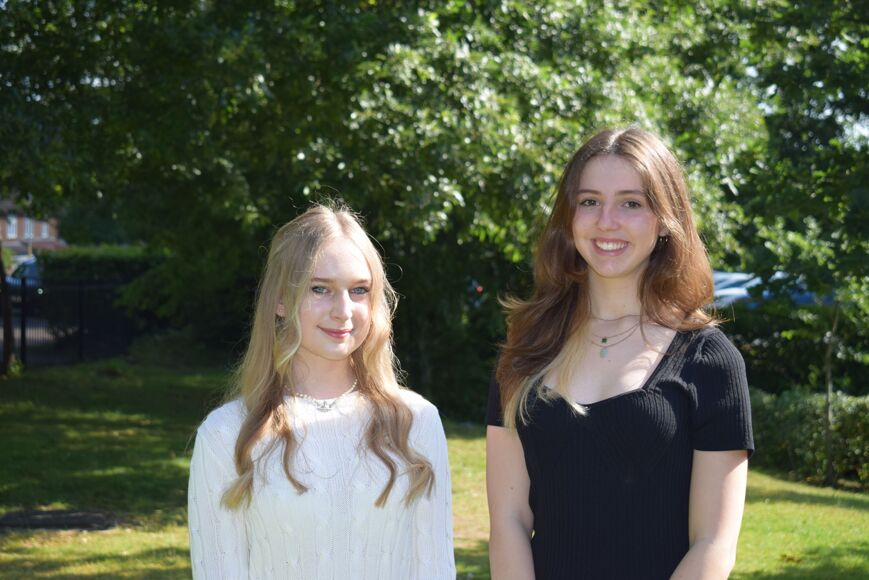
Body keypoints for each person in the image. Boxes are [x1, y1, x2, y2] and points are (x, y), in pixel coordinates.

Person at [486, 127, 754, 580]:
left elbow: (713, 544)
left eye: (631, 203)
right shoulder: (526, 348)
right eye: (590, 201)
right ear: (569, 217)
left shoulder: (710, 361)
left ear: (665, 219)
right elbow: (508, 521)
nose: (606, 221)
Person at [188, 203, 455, 579]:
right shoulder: (226, 434)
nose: (343, 310)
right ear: (281, 300)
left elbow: (434, 568)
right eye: (320, 289)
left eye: (359, 290)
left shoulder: (415, 422)